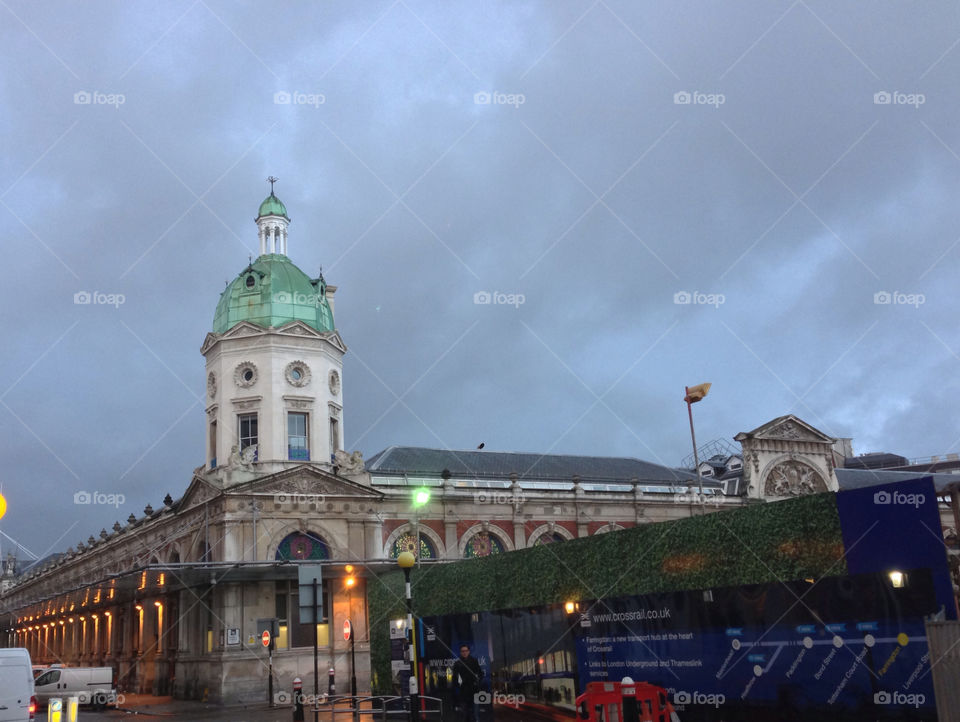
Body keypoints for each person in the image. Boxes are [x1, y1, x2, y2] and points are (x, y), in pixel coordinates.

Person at [452, 644, 483, 722]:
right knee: (465, 714)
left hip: (474, 690)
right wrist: (459, 685)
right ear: (460, 652)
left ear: (469, 651)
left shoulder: (474, 661)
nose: (464, 652)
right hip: (463, 691)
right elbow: (454, 678)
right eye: (463, 651)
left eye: (466, 651)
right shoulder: (457, 663)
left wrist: (477, 681)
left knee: (476, 713)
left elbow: (480, 673)